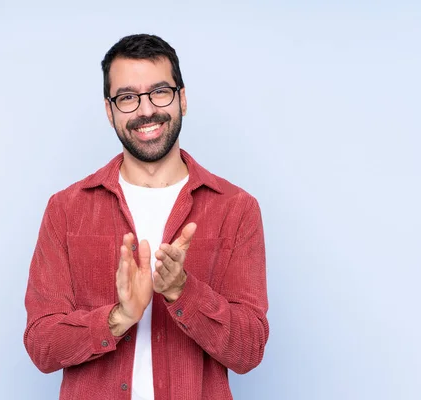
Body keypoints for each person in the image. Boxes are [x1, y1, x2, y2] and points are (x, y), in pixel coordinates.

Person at [23, 33, 269, 400]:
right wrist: (120, 317)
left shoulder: (236, 208)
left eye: (160, 92)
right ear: (110, 112)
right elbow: (42, 346)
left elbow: (249, 350)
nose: (145, 110)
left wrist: (182, 291)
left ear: (182, 99)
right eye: (127, 98)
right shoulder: (66, 210)